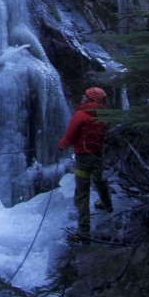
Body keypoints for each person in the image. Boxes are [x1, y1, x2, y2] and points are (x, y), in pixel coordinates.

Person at [58, 86, 113, 240]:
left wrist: (60, 146)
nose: (82, 97)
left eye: (85, 96)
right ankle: (107, 205)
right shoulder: (105, 115)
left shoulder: (81, 115)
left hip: (83, 158)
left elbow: (70, 138)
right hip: (98, 155)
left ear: (89, 99)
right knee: (100, 180)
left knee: (82, 193)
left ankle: (84, 232)